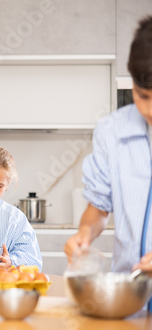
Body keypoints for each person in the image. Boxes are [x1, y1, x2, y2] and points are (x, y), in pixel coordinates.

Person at [64, 16, 152, 311]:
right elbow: (99, 207)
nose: (150, 110)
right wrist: (84, 234)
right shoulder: (112, 131)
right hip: (130, 300)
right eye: (143, 97)